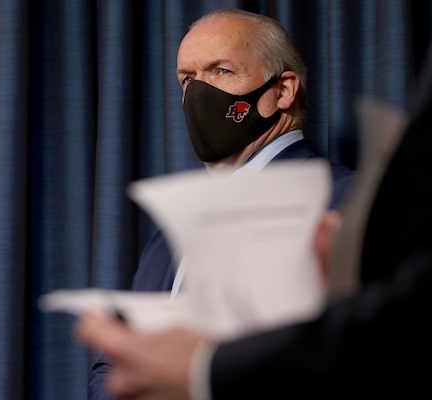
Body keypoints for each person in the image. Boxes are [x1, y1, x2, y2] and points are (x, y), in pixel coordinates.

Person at [75, 36, 432, 399]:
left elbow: (352, 349)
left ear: (283, 91)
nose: (197, 93)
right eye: (187, 79)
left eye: (221, 71)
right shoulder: (167, 236)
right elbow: (114, 363)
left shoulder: (346, 202)